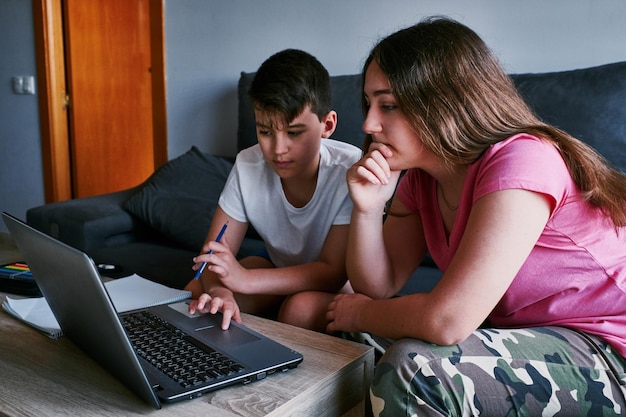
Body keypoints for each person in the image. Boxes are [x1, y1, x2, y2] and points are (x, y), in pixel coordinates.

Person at [326, 16, 626, 416]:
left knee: (417, 371)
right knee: (323, 316)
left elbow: (446, 320)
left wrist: (360, 312)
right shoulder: (421, 179)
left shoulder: (523, 159)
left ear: (444, 101)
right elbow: (378, 285)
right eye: (369, 103)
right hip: (524, 340)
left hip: (605, 351)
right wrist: (367, 208)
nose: (368, 124)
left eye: (389, 104)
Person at [185, 49, 362, 333]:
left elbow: (331, 273)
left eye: (294, 133)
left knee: (299, 310)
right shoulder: (248, 163)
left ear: (327, 125)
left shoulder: (349, 168)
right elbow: (214, 254)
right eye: (266, 132)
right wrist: (222, 292)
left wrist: (244, 281)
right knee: (199, 294)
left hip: (339, 284)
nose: (278, 150)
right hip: (277, 271)